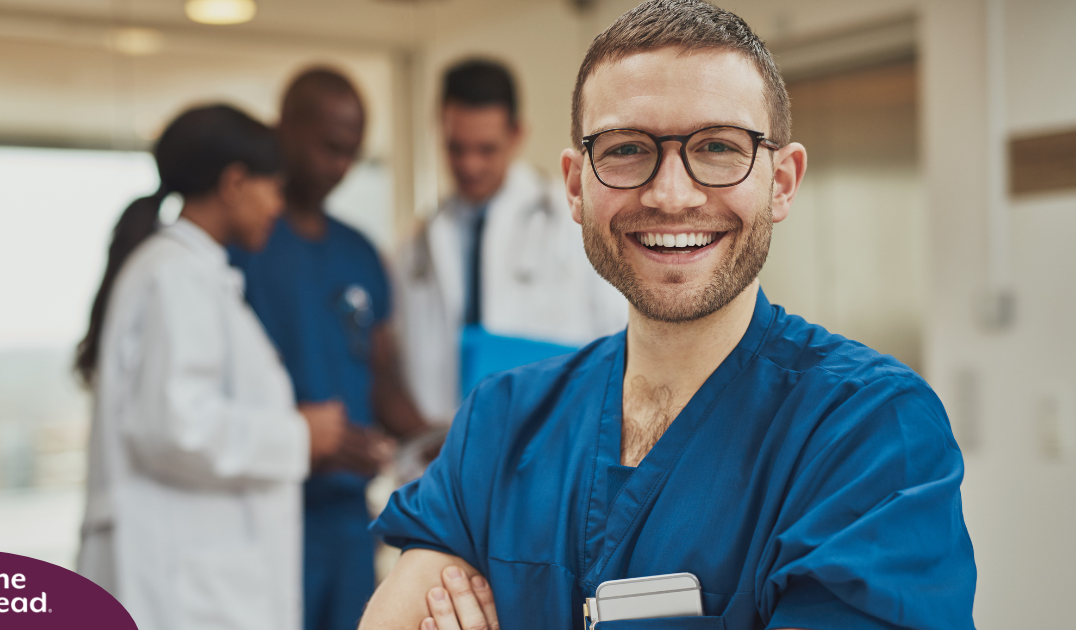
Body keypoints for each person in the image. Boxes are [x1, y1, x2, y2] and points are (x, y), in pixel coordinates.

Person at [361, 2, 978, 629]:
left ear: (782, 181)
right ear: (576, 186)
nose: (670, 194)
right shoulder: (501, 423)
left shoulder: (869, 433)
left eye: (717, 147)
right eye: (627, 149)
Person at [74, 104, 347, 630]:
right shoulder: (176, 276)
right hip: (181, 585)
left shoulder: (192, 273)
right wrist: (298, 436)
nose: (276, 207)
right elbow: (175, 427)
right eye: (272, 189)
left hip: (194, 577)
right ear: (235, 182)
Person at [229, 69, 433, 630]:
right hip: (260, 509)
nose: (340, 167)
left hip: (347, 519)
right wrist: (300, 434)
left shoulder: (360, 254)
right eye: (329, 148)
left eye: (352, 154)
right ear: (285, 129)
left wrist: (438, 438)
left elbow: (381, 377)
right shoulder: (240, 246)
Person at [396, 59, 627, 424]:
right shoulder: (419, 244)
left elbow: (620, 338)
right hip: (446, 449)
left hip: (553, 436)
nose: (470, 165)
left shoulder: (572, 221)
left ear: (517, 134)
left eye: (486, 149)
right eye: (457, 148)